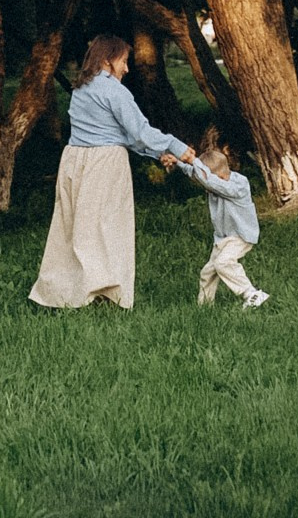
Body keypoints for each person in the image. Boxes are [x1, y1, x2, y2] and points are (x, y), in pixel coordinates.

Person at [28, 33, 194, 311]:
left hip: (75, 161)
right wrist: (176, 147)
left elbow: (120, 133)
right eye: (124, 61)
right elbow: (139, 130)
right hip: (103, 164)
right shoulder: (114, 91)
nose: (127, 68)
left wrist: (157, 153)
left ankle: (67, 291)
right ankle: (103, 291)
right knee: (108, 228)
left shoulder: (81, 88)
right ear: (107, 60)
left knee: (74, 229)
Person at [184, 133, 269, 308]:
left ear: (220, 178)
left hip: (240, 235)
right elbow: (194, 173)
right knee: (207, 272)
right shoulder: (217, 181)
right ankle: (204, 308)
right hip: (222, 237)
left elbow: (215, 184)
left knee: (223, 263)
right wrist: (178, 160)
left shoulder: (237, 186)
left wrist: (197, 165)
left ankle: (251, 294)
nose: (206, 189)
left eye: (206, 184)